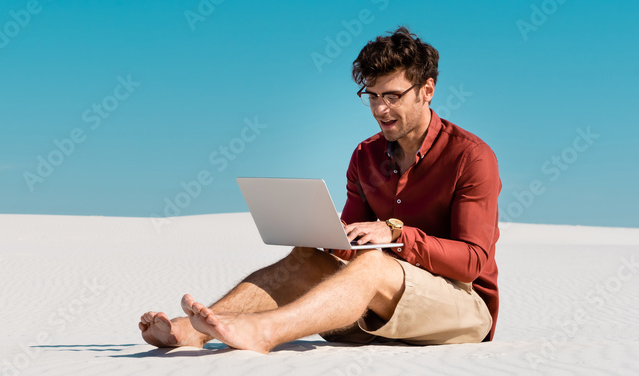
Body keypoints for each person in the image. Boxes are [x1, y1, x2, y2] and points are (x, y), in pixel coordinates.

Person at [138, 26, 501, 354]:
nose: (379, 108)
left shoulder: (470, 156)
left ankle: (264, 331)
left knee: (374, 264)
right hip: (379, 307)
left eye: (392, 96)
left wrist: (396, 233)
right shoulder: (365, 155)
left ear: (427, 90)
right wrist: (324, 234)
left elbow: (472, 263)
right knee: (307, 258)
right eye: (371, 95)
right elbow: (350, 249)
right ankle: (192, 331)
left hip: (462, 308)